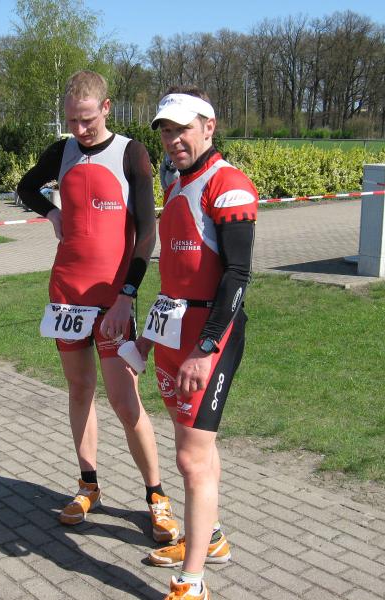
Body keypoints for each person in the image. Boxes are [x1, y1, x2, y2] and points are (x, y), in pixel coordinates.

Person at [17, 70, 180, 544]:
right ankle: (88, 484)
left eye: (87, 119)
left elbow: (146, 233)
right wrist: (52, 213)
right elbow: (27, 187)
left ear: (106, 108)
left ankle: (156, 495)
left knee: (126, 402)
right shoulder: (62, 151)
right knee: (79, 390)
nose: (80, 129)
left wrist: (127, 296)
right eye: (71, 120)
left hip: (113, 299)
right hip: (67, 292)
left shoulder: (131, 152)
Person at [127, 87, 257, 600]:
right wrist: (146, 337)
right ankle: (211, 538)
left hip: (209, 339)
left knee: (190, 458)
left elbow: (238, 276)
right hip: (174, 333)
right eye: (165, 130)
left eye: (182, 128)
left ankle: (193, 581)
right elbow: (176, 278)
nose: (173, 139)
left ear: (209, 126)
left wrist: (205, 349)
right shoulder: (178, 183)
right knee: (197, 450)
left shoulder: (229, 185)